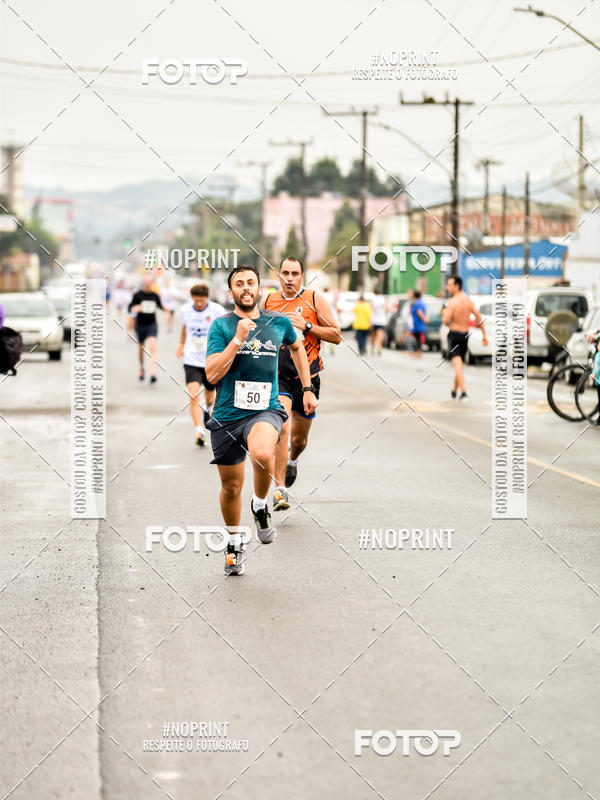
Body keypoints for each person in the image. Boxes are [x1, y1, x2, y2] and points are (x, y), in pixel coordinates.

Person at [205, 265, 317, 576]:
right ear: (231, 292)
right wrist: (237, 340)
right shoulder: (222, 326)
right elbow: (211, 374)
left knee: (263, 452)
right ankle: (233, 545)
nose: (246, 287)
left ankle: (259, 504)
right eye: (239, 283)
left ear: (259, 288)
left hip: (265, 410)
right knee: (230, 487)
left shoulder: (278, 322)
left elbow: (297, 347)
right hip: (227, 416)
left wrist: (307, 388)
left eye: (251, 282)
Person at [262, 256, 341, 510]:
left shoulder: (314, 299)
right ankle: (280, 490)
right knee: (281, 428)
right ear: (278, 276)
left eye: (294, 273)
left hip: (308, 379)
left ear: (302, 277)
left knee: (299, 440)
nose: (289, 278)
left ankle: (293, 459)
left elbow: (336, 335)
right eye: (285, 273)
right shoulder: (268, 301)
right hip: (278, 377)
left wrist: (307, 326)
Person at [176, 283, 225, 447]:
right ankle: (199, 431)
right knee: (193, 395)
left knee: (210, 397)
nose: (198, 304)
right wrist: (181, 345)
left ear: (207, 298)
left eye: (201, 301)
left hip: (210, 361)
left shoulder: (217, 310)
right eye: (196, 300)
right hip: (191, 360)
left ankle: (206, 407)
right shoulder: (185, 310)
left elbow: (225, 329)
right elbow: (185, 328)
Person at [442, 275, 487, 399]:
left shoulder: (452, 302)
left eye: (449, 285)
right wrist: (484, 335)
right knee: (459, 364)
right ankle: (454, 390)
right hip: (465, 336)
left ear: (457, 286)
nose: (447, 288)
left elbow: (445, 321)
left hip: (454, 336)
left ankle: (463, 392)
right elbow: (479, 317)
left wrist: (444, 312)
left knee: (458, 366)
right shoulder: (468, 300)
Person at [128, 274, 164, 383]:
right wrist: (136, 308)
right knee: (141, 348)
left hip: (152, 324)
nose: (148, 283)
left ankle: (152, 374)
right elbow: (130, 308)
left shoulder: (155, 295)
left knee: (153, 346)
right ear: (143, 282)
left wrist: (168, 310)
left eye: (150, 281)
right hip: (140, 325)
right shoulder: (137, 295)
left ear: (152, 283)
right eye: (146, 281)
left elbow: (161, 306)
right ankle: (142, 368)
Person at [408, 289, 429, 358]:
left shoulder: (417, 304)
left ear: (414, 296)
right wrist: (426, 319)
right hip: (420, 324)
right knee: (418, 338)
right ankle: (418, 352)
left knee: (418, 339)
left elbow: (419, 313)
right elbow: (426, 312)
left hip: (418, 324)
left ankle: (418, 352)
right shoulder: (422, 302)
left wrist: (425, 320)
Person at [369, 287, 387, 356]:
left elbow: (370, 309)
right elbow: (386, 308)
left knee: (373, 335)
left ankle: (372, 347)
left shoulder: (372, 299)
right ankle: (379, 347)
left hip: (373, 320)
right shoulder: (383, 299)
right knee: (380, 334)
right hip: (381, 320)